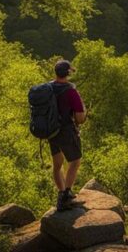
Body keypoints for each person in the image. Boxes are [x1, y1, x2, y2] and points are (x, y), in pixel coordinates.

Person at [49, 59, 86, 211]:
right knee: (75, 161)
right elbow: (79, 118)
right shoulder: (71, 91)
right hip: (66, 131)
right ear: (68, 73)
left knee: (57, 164)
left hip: (51, 131)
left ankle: (61, 194)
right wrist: (85, 112)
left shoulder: (48, 88)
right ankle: (66, 196)